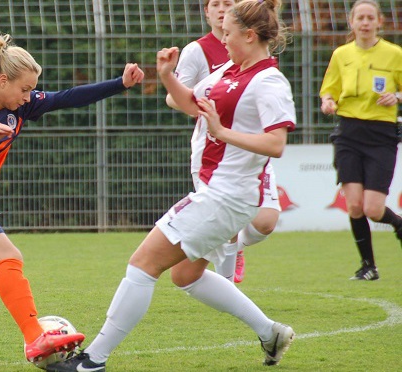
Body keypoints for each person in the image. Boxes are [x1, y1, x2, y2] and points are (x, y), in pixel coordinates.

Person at [46, 1, 295, 371]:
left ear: (249, 34)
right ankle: (269, 331)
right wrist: (166, 76)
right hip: (216, 193)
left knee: (143, 264)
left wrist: (223, 132)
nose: (222, 39)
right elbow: (191, 103)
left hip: (227, 196)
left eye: (227, 33)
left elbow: (276, 143)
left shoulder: (268, 81)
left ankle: (92, 361)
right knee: (185, 275)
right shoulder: (230, 69)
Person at [0, 23, 144, 372]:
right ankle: (36, 336)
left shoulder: (19, 107)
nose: (29, 96)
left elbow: (67, 97)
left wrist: (120, 84)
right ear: (2, 80)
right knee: (9, 256)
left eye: (32, 90)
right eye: (25, 88)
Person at [167, 0, 281, 284]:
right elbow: (174, 97)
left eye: (227, 3)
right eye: (214, 4)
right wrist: (203, 102)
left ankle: (236, 247)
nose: (220, 8)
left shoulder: (254, 49)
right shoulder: (197, 50)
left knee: (265, 222)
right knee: (225, 221)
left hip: (251, 146)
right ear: (206, 12)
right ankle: (228, 282)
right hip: (215, 149)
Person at [319, 0, 402, 281]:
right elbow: (328, 92)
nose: (365, 23)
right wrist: (328, 102)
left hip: (381, 135)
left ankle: (398, 223)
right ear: (351, 23)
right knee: (354, 206)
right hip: (349, 134)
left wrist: (398, 96)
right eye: (360, 18)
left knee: (373, 208)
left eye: (370, 18)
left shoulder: (394, 54)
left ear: (379, 22)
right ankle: (368, 266)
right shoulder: (341, 54)